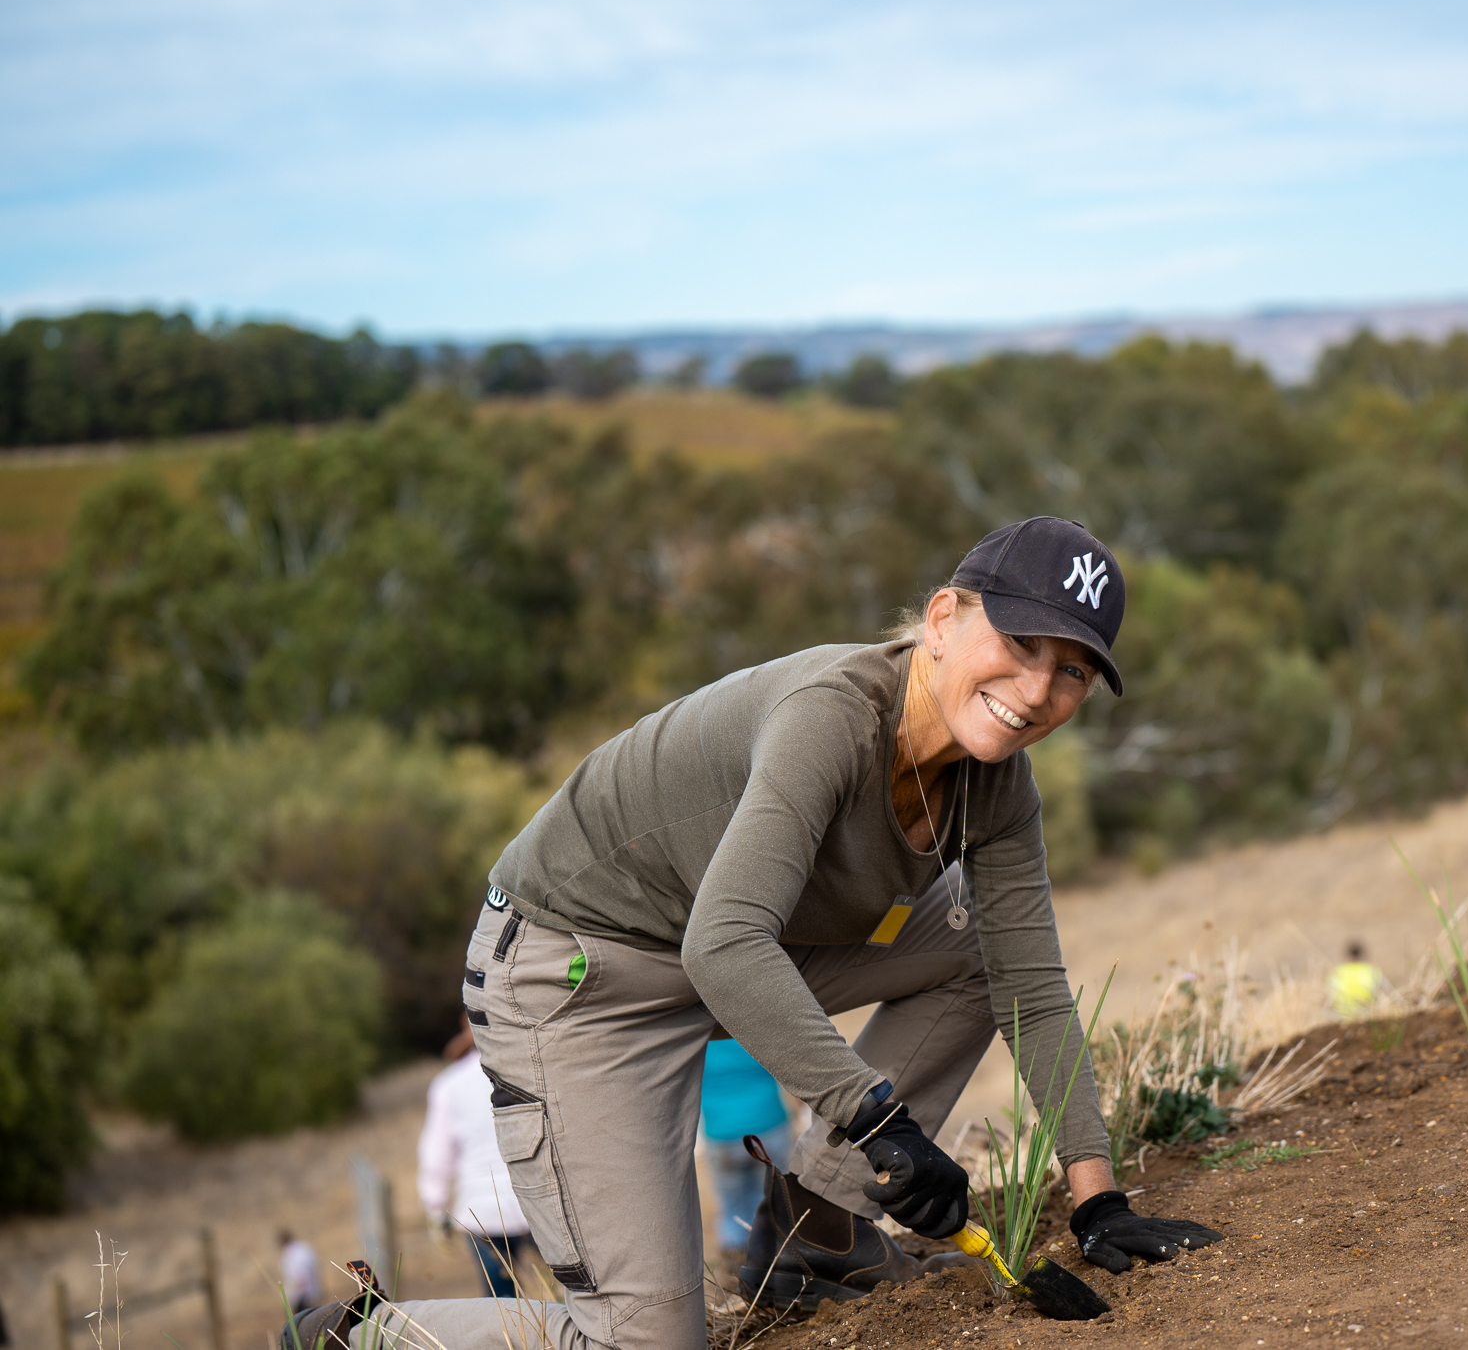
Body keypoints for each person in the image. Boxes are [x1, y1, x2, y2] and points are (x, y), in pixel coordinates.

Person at [284, 518, 1223, 1350]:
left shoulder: (997, 788)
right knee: (643, 1340)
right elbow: (724, 945)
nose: (1036, 689)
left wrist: (1098, 1198)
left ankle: (820, 1232)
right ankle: (364, 1333)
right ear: (943, 618)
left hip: (728, 948)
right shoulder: (831, 717)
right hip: (575, 972)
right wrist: (880, 1120)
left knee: (980, 946)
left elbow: (1031, 982)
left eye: (1071, 672)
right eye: (1019, 642)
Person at [418, 1018, 536, 1298]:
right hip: (535, 1201)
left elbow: (436, 1154)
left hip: (481, 1211)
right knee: (570, 1292)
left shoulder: (448, 1084)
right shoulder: (527, 1069)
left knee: (504, 1303)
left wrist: (436, 1211)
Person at [700, 1039, 791, 1259]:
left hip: (722, 1134)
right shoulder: (752, 1023)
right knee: (774, 1201)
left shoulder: (700, 1035)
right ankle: (780, 1260)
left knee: (732, 1210)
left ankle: (738, 1269)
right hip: (769, 1126)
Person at [1327, 942, 1385, 1021]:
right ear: (1362, 955)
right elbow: (1383, 990)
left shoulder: (1338, 970)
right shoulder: (1371, 970)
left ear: (1347, 955)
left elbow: (1330, 994)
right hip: (1366, 1015)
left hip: (1341, 1016)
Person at [278, 1231, 321, 1315]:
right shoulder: (304, 1249)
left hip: (301, 1297)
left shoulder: (290, 1254)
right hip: (312, 1292)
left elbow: (299, 1277)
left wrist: (295, 1295)